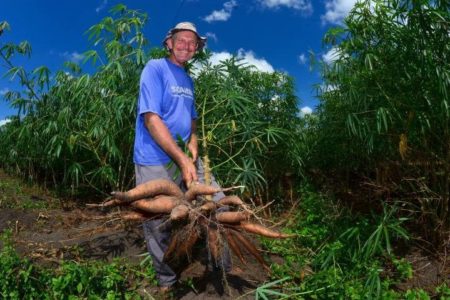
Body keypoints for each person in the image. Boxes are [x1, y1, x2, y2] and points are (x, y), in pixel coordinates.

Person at [133, 22, 230, 292]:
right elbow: (152, 119)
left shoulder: (188, 79)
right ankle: (167, 281)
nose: (187, 45)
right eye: (182, 40)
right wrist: (182, 158)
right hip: (154, 158)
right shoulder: (155, 68)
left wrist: (193, 146)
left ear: (197, 48)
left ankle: (219, 264)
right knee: (157, 222)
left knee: (219, 205)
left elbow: (192, 121)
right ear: (169, 42)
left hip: (186, 157)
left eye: (193, 42)